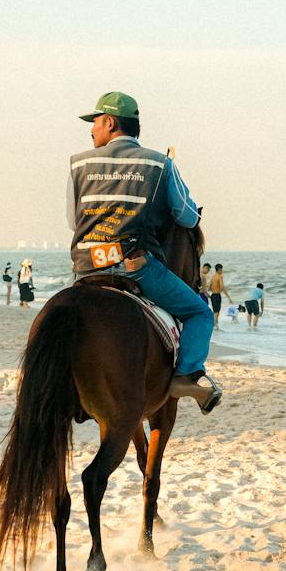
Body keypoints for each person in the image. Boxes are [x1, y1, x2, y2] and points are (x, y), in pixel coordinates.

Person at [68, 90, 220, 410]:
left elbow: (73, 220)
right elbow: (187, 217)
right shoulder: (160, 164)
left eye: (95, 121)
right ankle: (186, 375)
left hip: (86, 266)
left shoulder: (78, 163)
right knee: (200, 313)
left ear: (111, 122)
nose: (91, 129)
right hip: (135, 266)